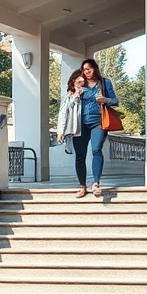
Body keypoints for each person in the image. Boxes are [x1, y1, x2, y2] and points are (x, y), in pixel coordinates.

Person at [72, 58, 119, 198]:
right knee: (80, 155)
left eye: (89, 69)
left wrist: (105, 100)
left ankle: (96, 183)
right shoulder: (79, 83)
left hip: (98, 122)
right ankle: (82, 186)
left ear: (94, 68)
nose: (86, 72)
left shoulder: (104, 83)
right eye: (84, 70)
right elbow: (70, 102)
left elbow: (115, 100)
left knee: (96, 150)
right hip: (80, 124)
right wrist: (76, 92)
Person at [56, 69, 84, 157]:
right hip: (76, 131)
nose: (81, 83)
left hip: (88, 127)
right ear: (74, 81)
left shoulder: (89, 94)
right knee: (80, 156)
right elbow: (63, 113)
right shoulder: (68, 96)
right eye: (79, 80)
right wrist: (60, 131)